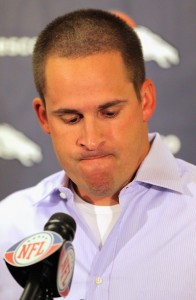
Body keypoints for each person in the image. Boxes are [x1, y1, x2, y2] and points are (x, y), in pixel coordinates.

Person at [0, 8, 195, 300]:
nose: (91, 140)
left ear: (146, 100)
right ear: (43, 118)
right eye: (71, 118)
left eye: (109, 112)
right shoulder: (8, 223)